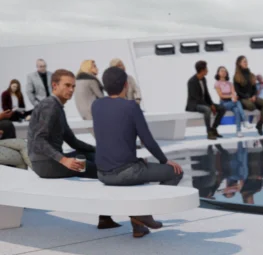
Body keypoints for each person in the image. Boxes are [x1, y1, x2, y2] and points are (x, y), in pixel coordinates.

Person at [92, 66, 184, 238]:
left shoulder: (96, 105)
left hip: (102, 173)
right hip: (125, 172)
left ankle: (139, 226)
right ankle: (144, 213)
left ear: (104, 85)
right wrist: (164, 161)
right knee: (175, 172)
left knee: (142, 167)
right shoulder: (131, 107)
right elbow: (147, 140)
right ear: (126, 85)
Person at [27, 69, 117, 230]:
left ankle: (106, 217)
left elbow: (72, 140)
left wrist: (100, 150)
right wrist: (64, 160)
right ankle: (106, 217)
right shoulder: (50, 107)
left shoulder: (57, 107)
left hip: (49, 161)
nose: (71, 90)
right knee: (103, 170)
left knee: (93, 156)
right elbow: (39, 140)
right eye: (67, 85)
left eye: (73, 86)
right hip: (47, 164)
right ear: (54, 85)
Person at [186, 60, 225, 140]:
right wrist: (209, 106)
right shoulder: (191, 81)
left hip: (203, 103)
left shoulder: (203, 79)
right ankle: (209, 132)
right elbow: (196, 98)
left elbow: (207, 94)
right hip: (194, 104)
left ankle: (213, 128)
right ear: (202, 70)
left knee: (222, 108)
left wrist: (212, 104)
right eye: (206, 68)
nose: (207, 70)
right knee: (207, 110)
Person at [234, 56, 263, 134]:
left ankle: (260, 125)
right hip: (243, 98)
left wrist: (254, 96)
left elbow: (254, 88)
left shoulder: (251, 75)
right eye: (244, 61)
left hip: (252, 97)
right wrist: (247, 97)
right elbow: (237, 91)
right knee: (251, 106)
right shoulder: (236, 76)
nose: (246, 63)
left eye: (246, 61)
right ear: (239, 64)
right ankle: (258, 106)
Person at [213, 65, 246, 136]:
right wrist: (231, 96)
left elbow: (233, 93)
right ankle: (244, 120)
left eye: (225, 71)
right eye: (222, 71)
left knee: (237, 110)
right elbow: (221, 95)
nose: (224, 72)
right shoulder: (217, 83)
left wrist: (235, 97)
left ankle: (238, 131)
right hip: (223, 103)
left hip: (231, 102)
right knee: (237, 102)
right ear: (218, 73)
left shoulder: (230, 83)